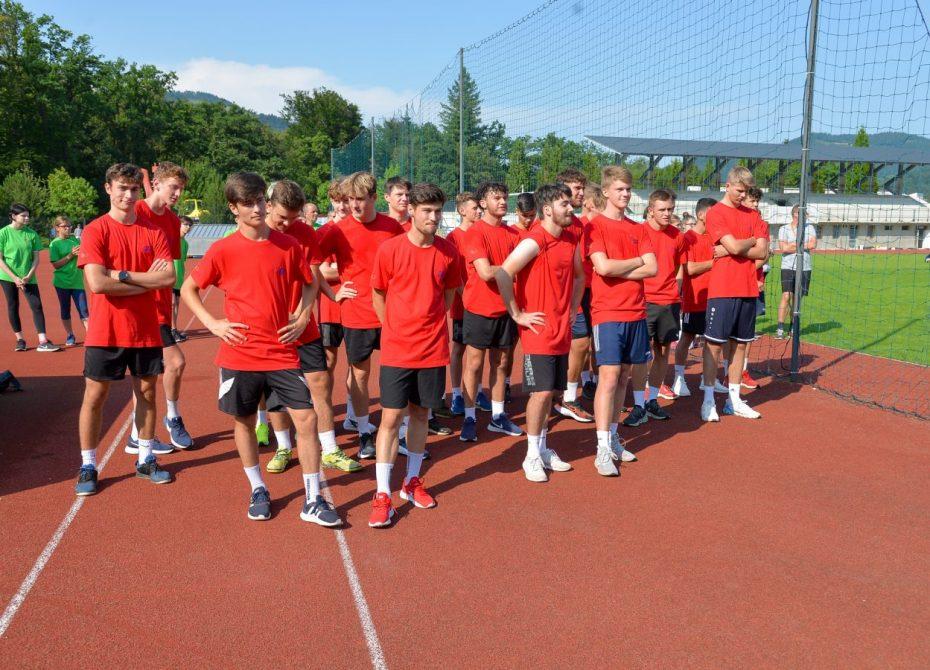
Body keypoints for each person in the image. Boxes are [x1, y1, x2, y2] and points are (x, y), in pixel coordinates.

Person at [181, 171, 340, 526]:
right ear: (233, 208)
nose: (256, 209)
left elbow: (310, 283)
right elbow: (189, 288)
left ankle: (313, 499)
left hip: (282, 351)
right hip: (240, 352)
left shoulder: (289, 245)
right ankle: (258, 488)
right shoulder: (222, 249)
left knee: (307, 418)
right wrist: (213, 324)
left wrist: (303, 315)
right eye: (247, 203)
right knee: (245, 421)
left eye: (259, 202)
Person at [74, 163, 175, 496]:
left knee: (147, 393)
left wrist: (122, 275)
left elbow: (168, 277)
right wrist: (145, 281)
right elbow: (97, 284)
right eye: (122, 188)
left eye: (134, 189)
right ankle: (88, 464)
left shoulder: (153, 231)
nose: (129, 195)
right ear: (108, 188)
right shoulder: (96, 230)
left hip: (145, 329)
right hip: (106, 330)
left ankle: (145, 458)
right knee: (96, 396)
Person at [368, 182, 462, 527]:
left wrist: (428, 325)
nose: (433, 217)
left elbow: (448, 296)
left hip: (432, 349)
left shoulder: (448, 252)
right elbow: (378, 293)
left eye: (437, 211)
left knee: (421, 415)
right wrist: (393, 328)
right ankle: (382, 493)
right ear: (411, 211)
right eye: (426, 211)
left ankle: (411, 481)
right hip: (397, 350)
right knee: (391, 418)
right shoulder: (390, 249)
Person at [261, 180, 362, 475]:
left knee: (320, 384)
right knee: (276, 393)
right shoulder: (258, 234)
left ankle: (329, 449)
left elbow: (313, 276)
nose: (288, 224)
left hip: (304, 327)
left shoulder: (305, 232)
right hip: (270, 330)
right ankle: (283, 447)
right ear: (269, 206)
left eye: (294, 217)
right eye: (283, 218)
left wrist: (308, 312)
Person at [496, 183, 584, 482]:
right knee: (541, 392)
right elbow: (503, 272)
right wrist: (516, 313)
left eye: (570, 203)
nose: (571, 208)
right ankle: (531, 455)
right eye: (564, 204)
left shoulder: (570, 238)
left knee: (551, 394)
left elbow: (580, 276)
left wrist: (573, 307)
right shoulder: (535, 240)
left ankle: (543, 448)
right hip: (539, 330)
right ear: (547, 210)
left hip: (561, 327)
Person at [317, 172, 404, 459]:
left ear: (374, 198)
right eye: (350, 199)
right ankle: (365, 431)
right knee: (360, 375)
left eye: (360, 199)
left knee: (396, 374)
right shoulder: (337, 230)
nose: (354, 205)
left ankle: (399, 430)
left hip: (390, 314)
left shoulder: (392, 227)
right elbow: (309, 263)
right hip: (356, 315)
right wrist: (332, 293)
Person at [586, 166, 657, 476]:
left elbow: (652, 268)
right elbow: (602, 267)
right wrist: (635, 262)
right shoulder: (595, 227)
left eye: (628, 189)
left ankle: (613, 437)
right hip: (607, 313)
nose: (626, 194)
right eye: (619, 189)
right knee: (610, 376)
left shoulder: (639, 229)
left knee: (625, 376)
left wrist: (619, 268)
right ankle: (602, 447)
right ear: (606, 192)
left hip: (636, 312)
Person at [129, 161, 193, 453]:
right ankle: (170, 418)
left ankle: (141, 432)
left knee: (151, 373)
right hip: (139, 305)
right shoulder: (135, 212)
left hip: (162, 304)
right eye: (173, 187)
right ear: (155, 184)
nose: (177, 193)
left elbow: (168, 268)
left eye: (181, 189)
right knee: (166, 366)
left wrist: (159, 275)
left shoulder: (172, 221)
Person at [700, 167, 769, 422]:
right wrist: (748, 241)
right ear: (727, 185)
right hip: (723, 288)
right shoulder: (716, 212)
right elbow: (735, 246)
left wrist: (738, 246)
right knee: (714, 345)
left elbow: (762, 252)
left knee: (741, 344)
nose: (743, 195)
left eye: (746, 191)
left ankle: (734, 400)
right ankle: (708, 401)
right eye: (739, 190)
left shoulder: (754, 215)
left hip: (748, 288)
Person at [459, 181, 523, 442]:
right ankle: (469, 417)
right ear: (483, 203)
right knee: (474, 364)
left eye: (505, 197)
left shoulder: (514, 234)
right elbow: (485, 273)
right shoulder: (475, 232)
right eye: (497, 197)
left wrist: (509, 269)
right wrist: (512, 267)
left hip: (506, 308)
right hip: (479, 308)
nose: (503, 201)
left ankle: (498, 415)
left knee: (502, 363)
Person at [553, 168, 596, 423]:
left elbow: (579, 268)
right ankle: (554, 395)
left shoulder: (579, 225)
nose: (581, 192)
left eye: (582, 188)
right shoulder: (546, 224)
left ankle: (567, 397)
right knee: (558, 346)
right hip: (551, 295)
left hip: (576, 293)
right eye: (576, 188)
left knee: (580, 342)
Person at [640, 189, 687, 416]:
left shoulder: (677, 236)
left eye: (670, 209)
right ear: (651, 210)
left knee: (662, 351)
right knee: (640, 354)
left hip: (669, 302)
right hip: (644, 301)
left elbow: (679, 267)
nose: (667, 214)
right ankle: (638, 401)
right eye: (662, 210)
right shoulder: (639, 232)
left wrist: (675, 291)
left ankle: (652, 400)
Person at [672, 198, 717, 397]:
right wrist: (714, 262)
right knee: (688, 336)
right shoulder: (688, 238)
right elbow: (689, 268)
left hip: (714, 295)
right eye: (712, 213)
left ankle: (707, 378)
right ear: (700, 215)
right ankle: (679, 377)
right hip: (695, 297)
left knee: (713, 339)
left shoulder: (714, 236)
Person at [0, 204, 60, 352]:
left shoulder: (32, 234)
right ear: (13, 216)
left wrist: (28, 275)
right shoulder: (3, 233)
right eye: (23, 216)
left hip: (28, 277)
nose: (27, 218)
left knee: (36, 305)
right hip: (8, 276)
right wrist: (14, 277)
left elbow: (36, 259)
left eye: (28, 216)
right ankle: (20, 340)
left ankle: (43, 341)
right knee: (13, 305)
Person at [446, 192, 483, 417]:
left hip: (481, 303)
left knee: (479, 349)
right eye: (474, 208)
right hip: (463, 303)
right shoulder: (453, 237)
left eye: (479, 208)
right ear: (462, 211)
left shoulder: (481, 233)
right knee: (459, 347)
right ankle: (457, 394)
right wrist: (467, 296)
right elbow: (454, 274)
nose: (478, 211)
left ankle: (478, 391)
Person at [776, 204, 817, 339]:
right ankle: (780, 328)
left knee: (797, 298)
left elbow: (812, 244)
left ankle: (793, 327)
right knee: (786, 295)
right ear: (796, 214)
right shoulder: (784, 229)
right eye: (804, 213)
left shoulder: (810, 228)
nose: (807, 216)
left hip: (805, 267)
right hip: (788, 267)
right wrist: (802, 246)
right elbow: (783, 248)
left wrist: (794, 245)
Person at [48, 215, 88, 346]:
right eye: (65, 226)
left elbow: (84, 255)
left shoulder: (75, 240)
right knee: (65, 309)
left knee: (83, 310)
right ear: (57, 228)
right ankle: (70, 334)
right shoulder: (54, 244)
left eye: (69, 226)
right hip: (62, 282)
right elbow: (56, 265)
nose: (68, 228)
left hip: (77, 281)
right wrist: (70, 255)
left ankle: (91, 335)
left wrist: (82, 253)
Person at [170, 216, 193, 342]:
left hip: (179, 279)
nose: (188, 227)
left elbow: (181, 261)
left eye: (190, 226)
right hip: (170, 278)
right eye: (185, 225)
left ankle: (174, 329)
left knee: (176, 305)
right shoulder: (172, 239)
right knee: (172, 303)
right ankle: (171, 330)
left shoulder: (185, 244)